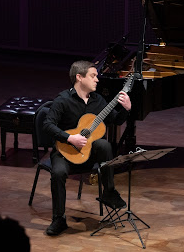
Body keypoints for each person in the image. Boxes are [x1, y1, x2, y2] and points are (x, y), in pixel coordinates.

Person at [43, 60, 131, 236]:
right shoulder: (63, 100)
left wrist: (126, 109)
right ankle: (59, 219)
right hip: (65, 153)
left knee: (104, 144)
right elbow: (47, 124)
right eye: (93, 76)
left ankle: (109, 192)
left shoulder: (98, 100)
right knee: (58, 173)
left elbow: (116, 120)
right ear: (79, 77)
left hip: (88, 154)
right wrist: (70, 138)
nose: (97, 79)